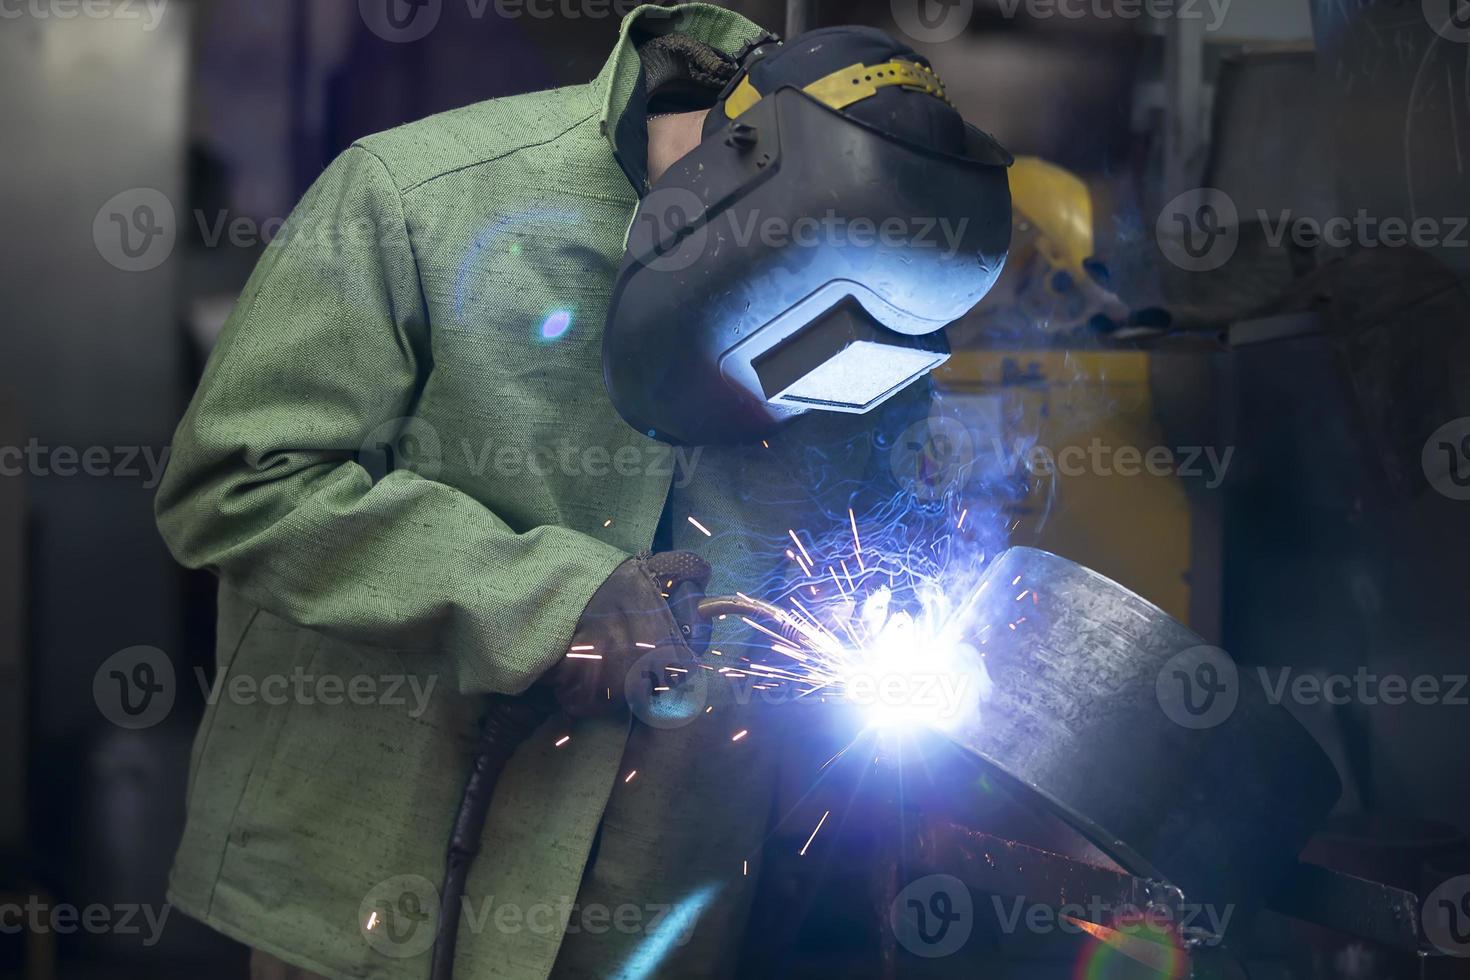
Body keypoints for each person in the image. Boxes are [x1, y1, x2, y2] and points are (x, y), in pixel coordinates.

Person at [155, 6, 1006, 978]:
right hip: (377, 902)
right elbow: (237, 479)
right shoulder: (414, 197)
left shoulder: (879, 258)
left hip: (659, 915)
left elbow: (879, 535)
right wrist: (547, 602)